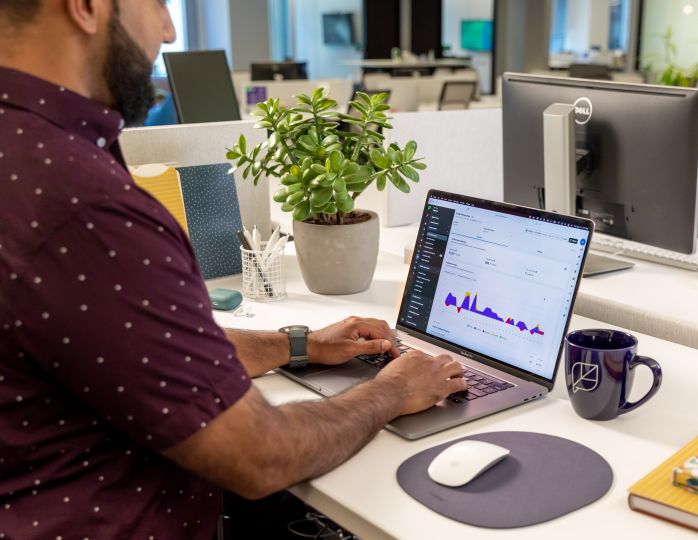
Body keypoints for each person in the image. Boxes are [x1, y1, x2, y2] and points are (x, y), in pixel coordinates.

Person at [0, 1, 467, 538]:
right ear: (85, 7)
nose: (170, 29)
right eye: (156, 4)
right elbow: (259, 456)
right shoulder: (83, 202)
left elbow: (129, 346)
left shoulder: (27, 157)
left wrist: (301, 345)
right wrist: (392, 391)